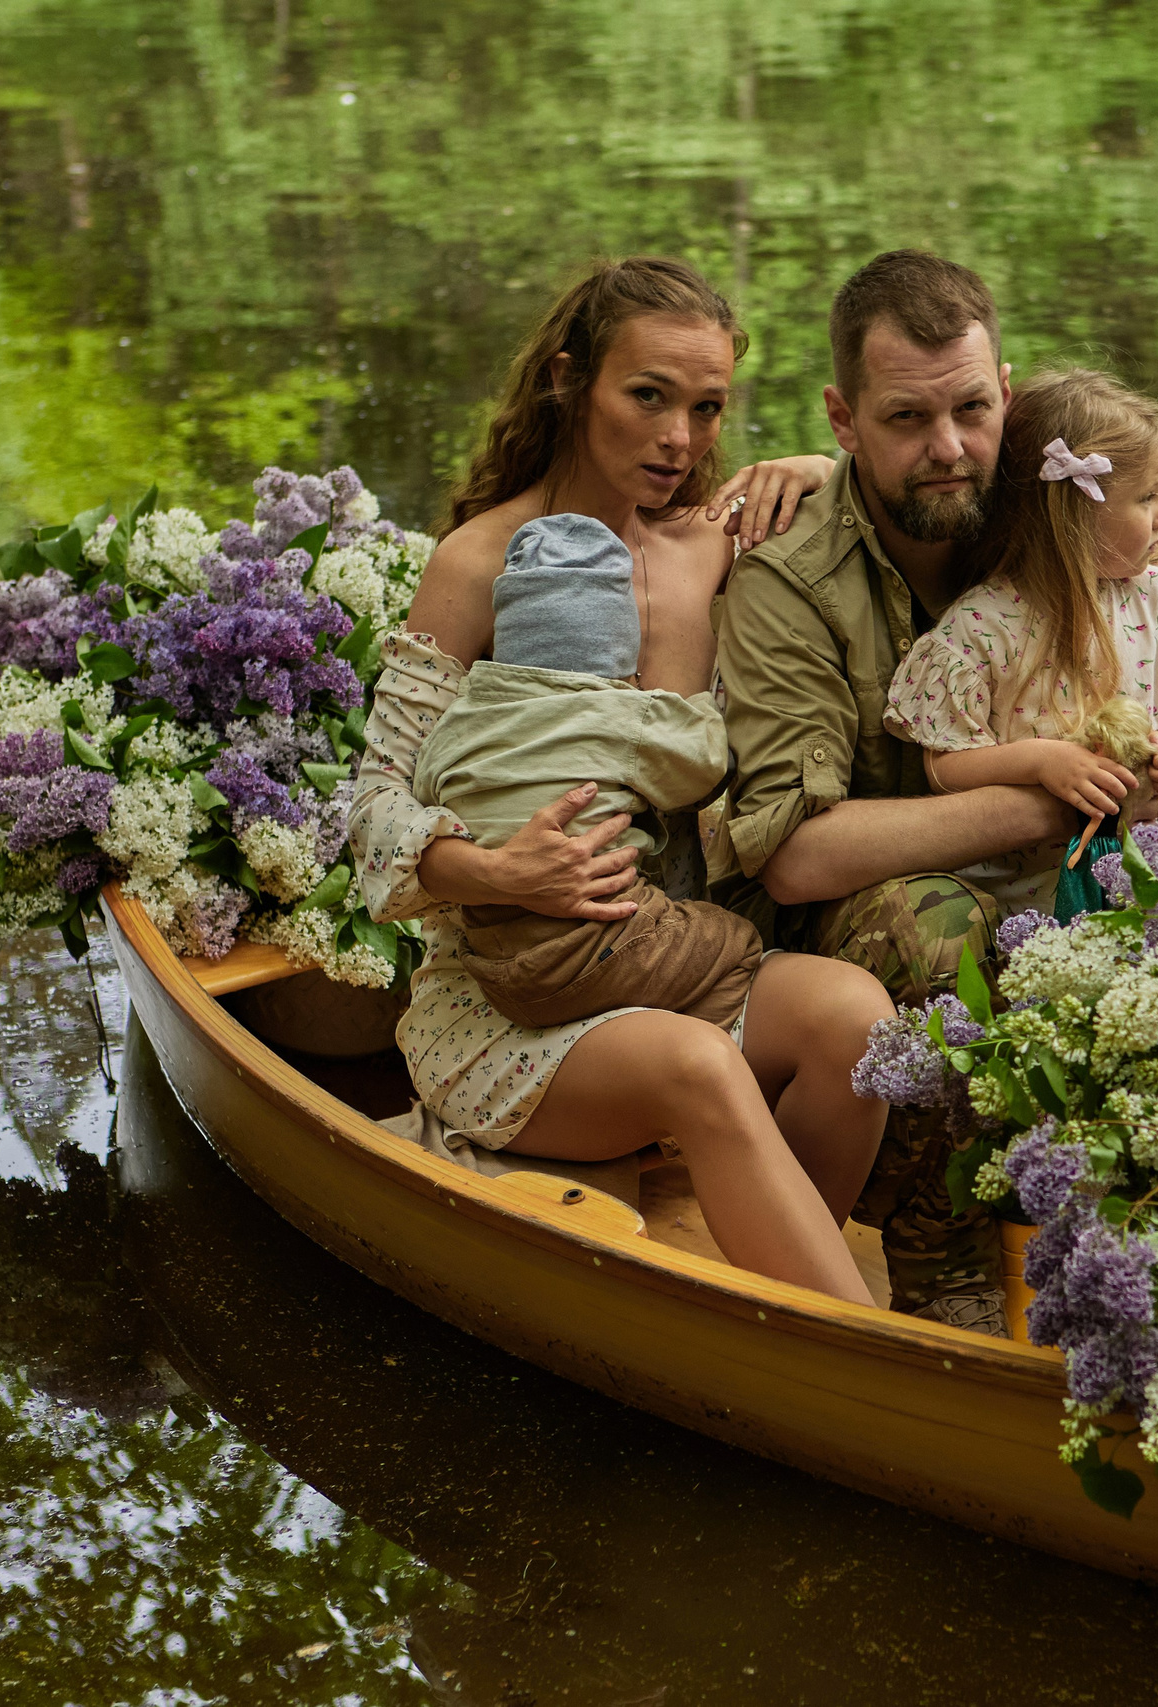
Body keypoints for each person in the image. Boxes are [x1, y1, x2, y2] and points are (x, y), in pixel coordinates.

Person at [709, 250, 1158, 1330]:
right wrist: (1064, 802)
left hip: (1100, 860)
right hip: (891, 902)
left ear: (1006, 395)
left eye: (971, 410)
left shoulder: (1057, 502)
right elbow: (794, 851)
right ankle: (947, 1252)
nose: (945, 450)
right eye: (903, 421)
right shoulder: (789, 581)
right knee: (922, 927)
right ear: (842, 419)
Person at [349, 256, 889, 1308]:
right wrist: (502, 870)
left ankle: (779, 1315)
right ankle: (870, 1360)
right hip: (512, 1009)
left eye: (705, 407)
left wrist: (820, 470)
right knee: (693, 1066)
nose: (677, 439)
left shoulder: (719, 546)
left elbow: (889, 492)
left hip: (669, 959)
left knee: (860, 1023)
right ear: (567, 380)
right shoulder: (479, 561)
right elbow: (373, 811)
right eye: (646, 397)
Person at [883, 369, 1158, 919]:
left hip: (1139, 847)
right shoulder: (982, 629)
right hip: (1020, 883)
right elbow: (944, 766)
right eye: (1147, 498)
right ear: (1075, 516)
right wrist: (1042, 762)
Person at [411, 511, 761, 1031]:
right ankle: (676, 1048)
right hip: (600, 945)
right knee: (738, 943)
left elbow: (425, 789)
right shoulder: (620, 714)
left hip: (497, 968)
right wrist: (703, 706)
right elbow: (707, 767)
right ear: (617, 651)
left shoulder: (461, 719)